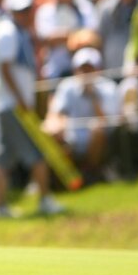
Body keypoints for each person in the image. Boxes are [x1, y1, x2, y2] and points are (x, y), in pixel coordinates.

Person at [0, 0, 63, 218]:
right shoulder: (8, 32)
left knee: (4, 158)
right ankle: (45, 200)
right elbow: (5, 68)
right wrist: (21, 100)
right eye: (21, 10)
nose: (26, 14)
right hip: (13, 106)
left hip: (9, 105)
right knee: (36, 153)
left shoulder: (13, 31)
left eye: (28, 9)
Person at [44, 47, 120, 178]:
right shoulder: (67, 86)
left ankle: (91, 172)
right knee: (49, 130)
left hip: (103, 140)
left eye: (89, 68)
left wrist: (93, 96)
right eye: (82, 69)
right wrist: (58, 126)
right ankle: (60, 177)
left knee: (97, 129)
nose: (85, 73)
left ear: (98, 70)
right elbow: (55, 113)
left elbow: (108, 122)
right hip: (71, 136)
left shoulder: (108, 87)